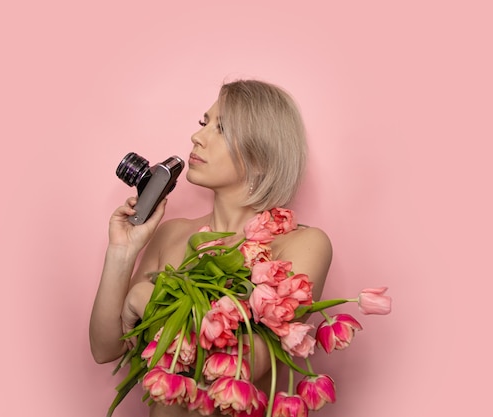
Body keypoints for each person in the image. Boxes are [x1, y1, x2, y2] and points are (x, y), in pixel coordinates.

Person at [89, 79, 333, 417]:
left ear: (261, 155)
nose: (197, 136)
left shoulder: (302, 244)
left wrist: (147, 297)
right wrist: (122, 253)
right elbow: (105, 348)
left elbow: (245, 364)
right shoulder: (172, 234)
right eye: (205, 123)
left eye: (221, 128)